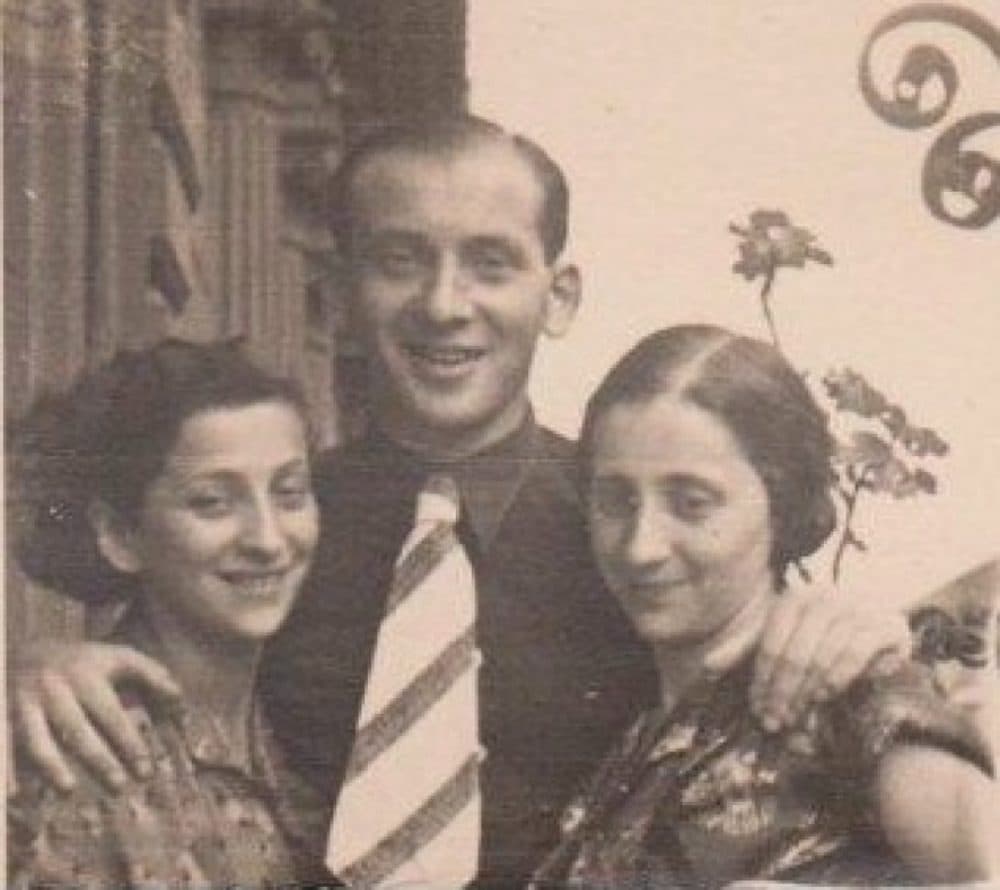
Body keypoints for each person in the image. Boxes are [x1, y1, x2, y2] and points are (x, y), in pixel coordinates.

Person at [10, 117, 918, 888]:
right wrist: (41, 665)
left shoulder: (632, 538)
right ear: (341, 291)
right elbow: (147, 690)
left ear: (557, 295)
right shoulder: (276, 537)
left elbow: (770, 671)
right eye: (400, 260)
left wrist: (842, 629)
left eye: (490, 263)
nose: (445, 305)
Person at [531, 325, 996, 888]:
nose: (640, 546)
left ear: (782, 504)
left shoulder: (850, 691)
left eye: (692, 503)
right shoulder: (642, 727)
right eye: (616, 500)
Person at [6, 340, 335, 887]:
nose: (268, 539)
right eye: (212, 502)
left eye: (290, 493)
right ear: (119, 535)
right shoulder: (79, 752)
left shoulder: (291, 730)